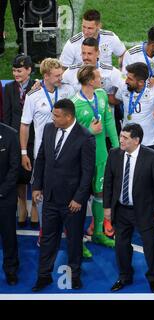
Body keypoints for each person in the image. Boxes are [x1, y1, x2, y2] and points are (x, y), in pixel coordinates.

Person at [31, 99, 95, 292]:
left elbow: (87, 172)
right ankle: (43, 276)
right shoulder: (49, 129)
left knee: (74, 240)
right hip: (49, 197)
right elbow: (41, 158)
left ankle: (75, 276)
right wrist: (36, 186)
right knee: (48, 238)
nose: (53, 118)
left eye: (57, 115)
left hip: (72, 202)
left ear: (68, 117)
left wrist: (78, 198)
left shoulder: (85, 137)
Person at [103, 123, 154, 293]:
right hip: (121, 209)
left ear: (136, 140)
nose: (120, 140)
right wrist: (107, 206)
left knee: (151, 246)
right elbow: (109, 182)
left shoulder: (152, 156)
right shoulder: (114, 154)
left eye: (125, 137)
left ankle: (153, 278)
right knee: (121, 246)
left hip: (145, 210)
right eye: (120, 136)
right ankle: (124, 276)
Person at [20, 58, 75, 244]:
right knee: (41, 193)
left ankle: (68, 228)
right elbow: (25, 125)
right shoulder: (33, 96)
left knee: (67, 189)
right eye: (57, 75)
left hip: (67, 152)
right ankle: (45, 229)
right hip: (43, 155)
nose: (61, 77)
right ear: (46, 76)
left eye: (61, 74)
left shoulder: (67, 89)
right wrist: (23, 153)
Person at [71, 64, 119, 254]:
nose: (102, 79)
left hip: (101, 156)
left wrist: (116, 148)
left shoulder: (100, 96)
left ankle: (98, 232)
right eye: (98, 77)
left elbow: (109, 121)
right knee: (79, 198)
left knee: (100, 194)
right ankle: (77, 241)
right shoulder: (74, 104)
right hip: (80, 160)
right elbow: (70, 136)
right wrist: (90, 132)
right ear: (90, 81)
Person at [2, 54, 39, 228]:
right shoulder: (9, 88)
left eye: (19, 70)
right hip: (15, 138)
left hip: (34, 136)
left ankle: (35, 207)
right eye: (14, 70)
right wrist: (9, 139)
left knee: (33, 171)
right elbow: (7, 115)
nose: (16, 73)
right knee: (18, 174)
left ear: (29, 70)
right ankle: (22, 204)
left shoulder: (37, 86)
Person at [115, 62, 154, 149]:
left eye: (130, 79)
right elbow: (117, 99)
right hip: (127, 141)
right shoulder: (124, 87)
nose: (126, 81)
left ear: (141, 82)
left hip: (148, 142)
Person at [60, 9, 126, 68]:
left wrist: (121, 72)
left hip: (105, 79)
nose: (85, 32)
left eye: (90, 28)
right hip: (81, 80)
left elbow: (123, 54)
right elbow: (63, 68)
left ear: (99, 26)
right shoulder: (72, 43)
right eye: (84, 27)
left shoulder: (110, 38)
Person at [0, 122, 20, 286]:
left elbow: (15, 168)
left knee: (8, 235)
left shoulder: (11, 135)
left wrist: (1, 191)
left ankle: (11, 269)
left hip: (5, 196)